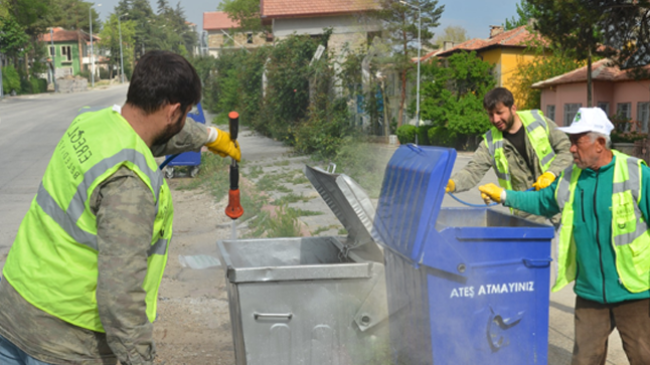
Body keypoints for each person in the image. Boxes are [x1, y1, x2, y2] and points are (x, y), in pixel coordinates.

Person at [0, 50, 241, 365]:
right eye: (185, 114)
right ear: (174, 112)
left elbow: (153, 134)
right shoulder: (130, 183)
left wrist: (211, 137)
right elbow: (120, 295)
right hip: (64, 342)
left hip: (13, 310)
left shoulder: (91, 122)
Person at [479, 107, 650, 364]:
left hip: (635, 293)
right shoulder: (570, 177)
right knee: (583, 360)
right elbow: (542, 201)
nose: (570, 149)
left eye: (577, 142)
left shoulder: (636, 173)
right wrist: (503, 195)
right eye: (570, 142)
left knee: (643, 357)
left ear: (600, 143)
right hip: (590, 293)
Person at [446, 87, 572, 224]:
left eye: (500, 113)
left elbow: (567, 149)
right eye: (490, 114)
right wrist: (452, 184)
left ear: (513, 108)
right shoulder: (490, 142)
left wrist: (551, 173)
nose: (495, 119)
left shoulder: (538, 121)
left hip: (559, 203)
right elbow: (472, 171)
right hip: (527, 214)